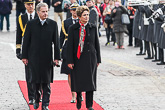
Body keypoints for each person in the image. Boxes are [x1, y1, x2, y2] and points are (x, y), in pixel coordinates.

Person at [22, 3, 60, 110]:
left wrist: (57, 58)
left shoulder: (53, 24)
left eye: (47, 11)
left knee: (46, 83)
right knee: (35, 82)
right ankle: (36, 97)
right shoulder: (31, 24)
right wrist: (24, 56)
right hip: (33, 58)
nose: (45, 13)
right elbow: (26, 42)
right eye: (43, 11)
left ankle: (45, 104)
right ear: (38, 12)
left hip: (47, 58)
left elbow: (57, 43)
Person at [67, 6, 101, 110]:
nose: (87, 17)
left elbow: (97, 44)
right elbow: (70, 46)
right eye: (84, 15)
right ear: (79, 16)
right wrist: (70, 61)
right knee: (79, 81)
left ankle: (89, 105)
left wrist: (98, 59)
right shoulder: (73, 28)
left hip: (90, 58)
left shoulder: (93, 27)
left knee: (90, 81)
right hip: (78, 58)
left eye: (87, 15)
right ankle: (78, 97)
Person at [16, 0, 38, 105]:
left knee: (40, 73)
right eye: (28, 4)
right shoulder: (21, 18)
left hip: (39, 49)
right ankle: (31, 97)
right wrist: (18, 49)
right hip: (28, 49)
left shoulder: (39, 16)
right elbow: (19, 35)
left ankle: (39, 94)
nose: (30, 6)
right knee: (29, 75)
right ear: (25, 5)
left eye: (32, 4)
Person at [60, 3, 79, 103]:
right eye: (73, 10)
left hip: (79, 48)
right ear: (70, 11)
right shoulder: (66, 22)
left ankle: (79, 92)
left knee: (80, 72)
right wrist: (59, 52)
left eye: (77, 9)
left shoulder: (81, 21)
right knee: (70, 73)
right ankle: (73, 95)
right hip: (68, 48)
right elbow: (61, 38)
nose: (75, 11)